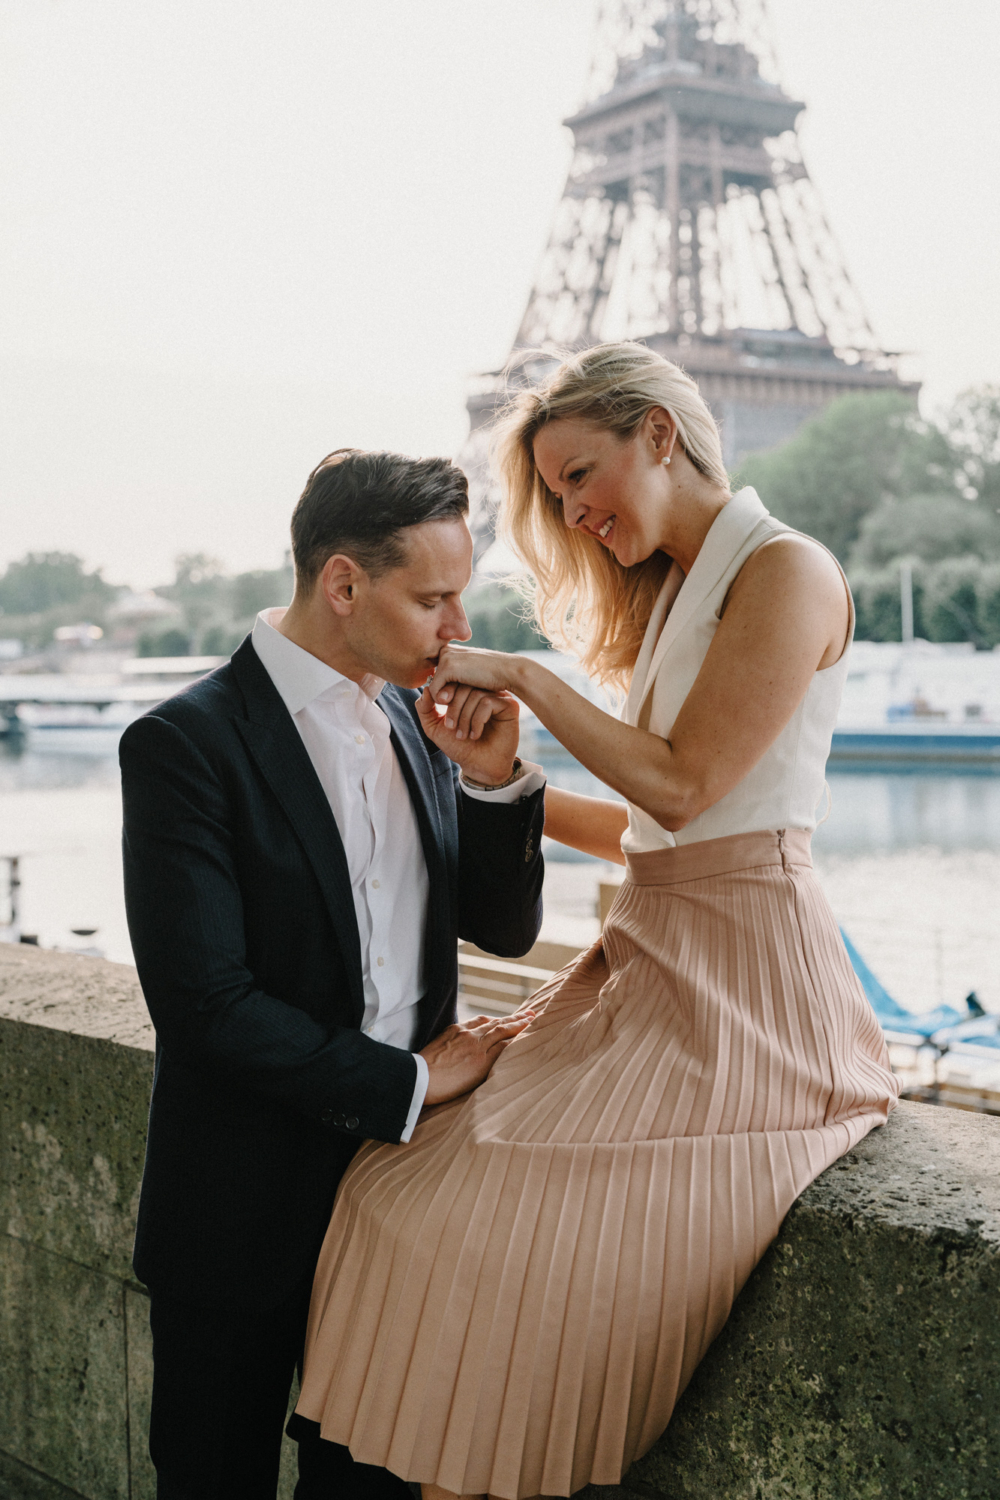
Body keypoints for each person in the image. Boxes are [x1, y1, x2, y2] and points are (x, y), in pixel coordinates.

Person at [292, 344, 900, 1500]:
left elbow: (681, 788)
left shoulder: (787, 570)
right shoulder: (682, 587)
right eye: (555, 494)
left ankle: (470, 1470)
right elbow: (648, 835)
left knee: (494, 1226)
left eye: (580, 475)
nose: (572, 512)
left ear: (658, 434)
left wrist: (525, 679)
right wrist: (500, 773)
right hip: (655, 963)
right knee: (396, 1188)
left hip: (744, 995)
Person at [119, 448, 546, 1500]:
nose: (460, 630)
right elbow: (202, 1002)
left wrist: (494, 785)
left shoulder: (419, 719)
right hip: (238, 1206)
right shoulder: (184, 744)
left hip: (406, 1198)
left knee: (373, 1487)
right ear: (343, 584)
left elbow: (502, 932)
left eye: (464, 599)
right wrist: (406, 1083)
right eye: (434, 600)